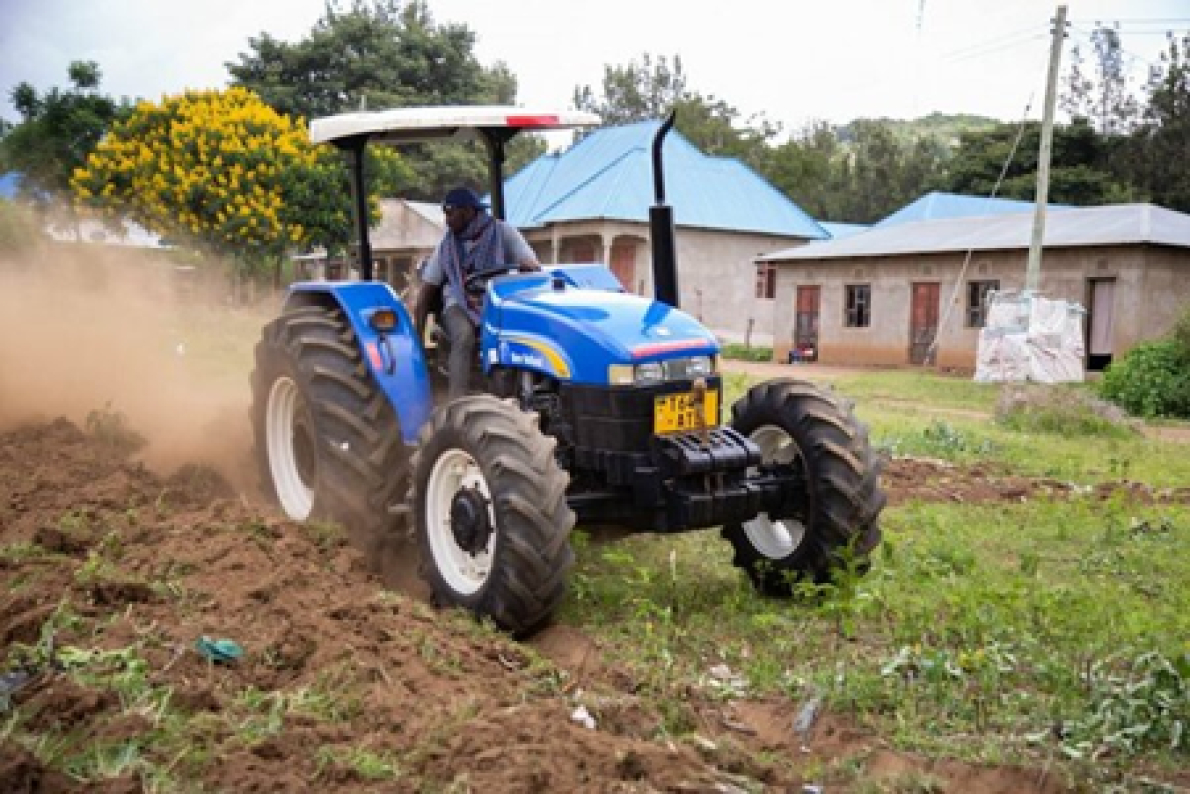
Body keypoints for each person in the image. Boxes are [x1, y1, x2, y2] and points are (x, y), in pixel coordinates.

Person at [412, 186, 540, 398]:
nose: (447, 220)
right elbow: (428, 289)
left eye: (450, 213)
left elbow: (529, 260)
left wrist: (527, 264)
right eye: (445, 213)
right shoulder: (447, 245)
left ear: (468, 211)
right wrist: (417, 336)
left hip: (496, 300)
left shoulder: (502, 232)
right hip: (458, 302)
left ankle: (516, 393)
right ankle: (457, 400)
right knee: (464, 335)